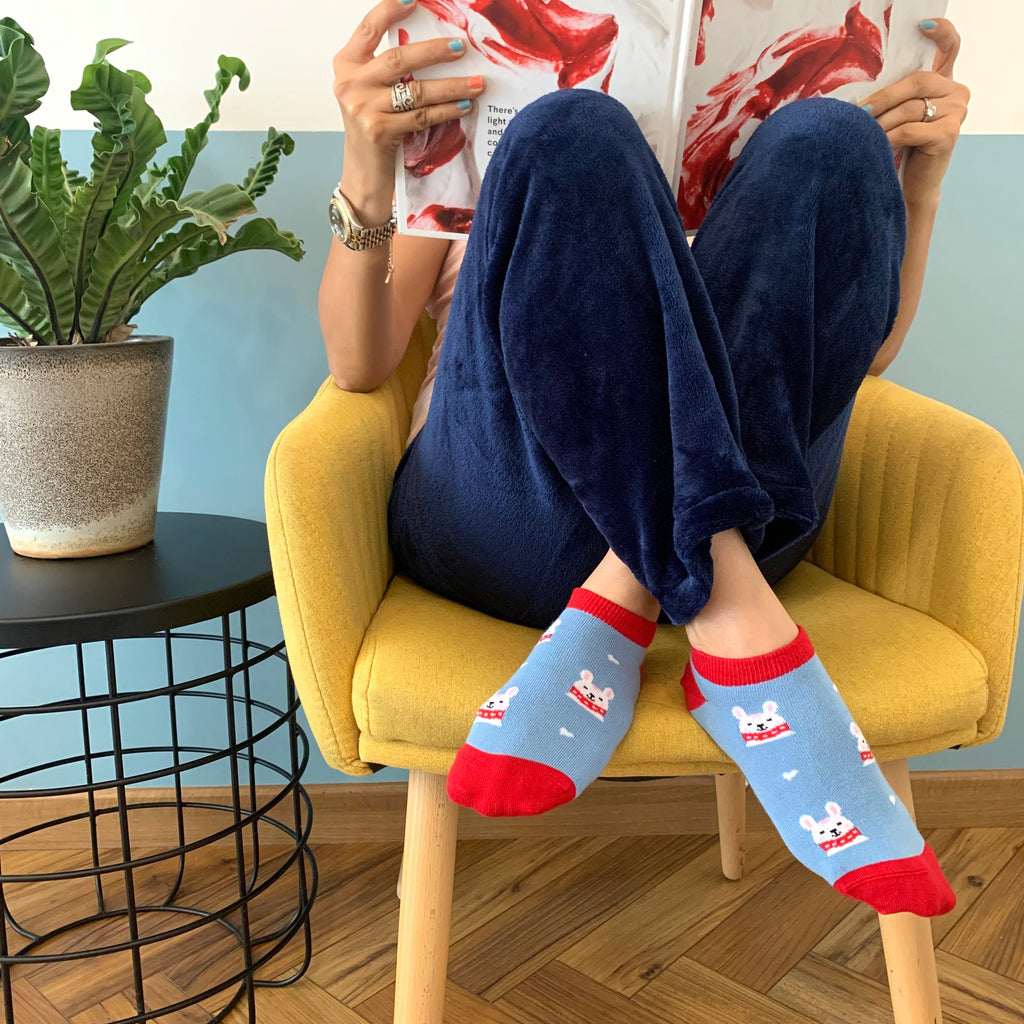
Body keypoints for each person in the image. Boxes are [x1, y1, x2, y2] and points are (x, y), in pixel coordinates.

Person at [322, 2, 970, 919]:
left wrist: (920, 183)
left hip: (752, 499)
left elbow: (865, 356)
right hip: (510, 506)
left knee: (834, 137)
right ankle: (736, 622)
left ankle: (631, 584)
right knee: (569, 130)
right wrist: (367, 164)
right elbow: (360, 366)